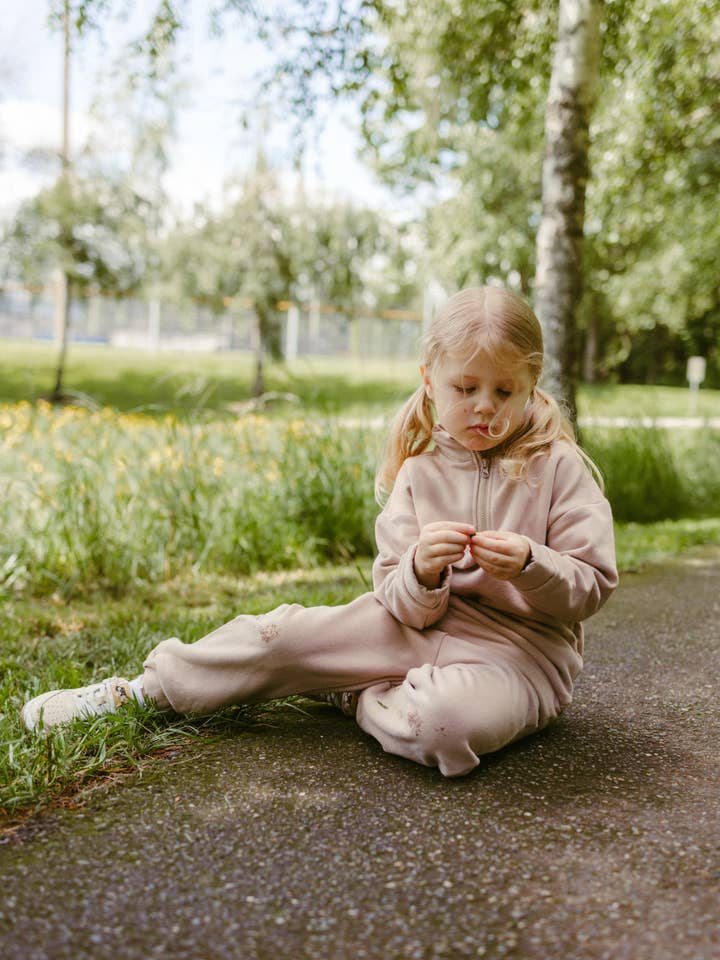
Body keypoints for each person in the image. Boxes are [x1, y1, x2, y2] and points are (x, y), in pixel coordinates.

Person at [22, 286, 618, 777]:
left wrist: (532, 564)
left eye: (504, 391)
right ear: (431, 379)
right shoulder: (419, 472)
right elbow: (401, 603)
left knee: (446, 727)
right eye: (466, 388)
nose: (484, 407)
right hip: (415, 633)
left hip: (518, 659)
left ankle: (355, 693)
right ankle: (144, 691)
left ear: (532, 385)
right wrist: (420, 571)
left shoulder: (557, 467)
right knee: (281, 637)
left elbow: (591, 585)